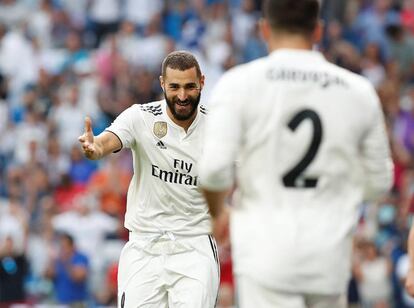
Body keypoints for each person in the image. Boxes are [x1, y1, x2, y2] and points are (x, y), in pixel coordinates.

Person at [198, 1, 393, 307]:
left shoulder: (238, 84)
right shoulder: (358, 91)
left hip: (264, 250)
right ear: (318, 30)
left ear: (264, 29)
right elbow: (379, 181)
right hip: (328, 253)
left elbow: (213, 171)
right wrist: (339, 194)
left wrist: (218, 214)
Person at [78, 50, 219, 308]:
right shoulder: (140, 117)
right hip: (144, 246)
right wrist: (95, 147)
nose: (182, 96)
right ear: (162, 83)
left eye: (190, 86)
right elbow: (107, 141)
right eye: (174, 87)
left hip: (194, 245)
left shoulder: (219, 127)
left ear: (202, 82)